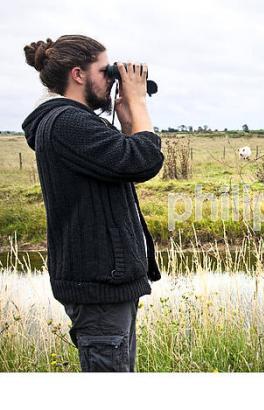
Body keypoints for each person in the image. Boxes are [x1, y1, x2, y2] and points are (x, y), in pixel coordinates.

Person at [21, 35, 164, 372]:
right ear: (78, 74)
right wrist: (139, 102)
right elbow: (145, 161)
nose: (112, 79)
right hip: (98, 286)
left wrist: (128, 120)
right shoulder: (67, 122)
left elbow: (125, 164)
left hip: (106, 285)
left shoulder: (76, 122)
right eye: (106, 71)